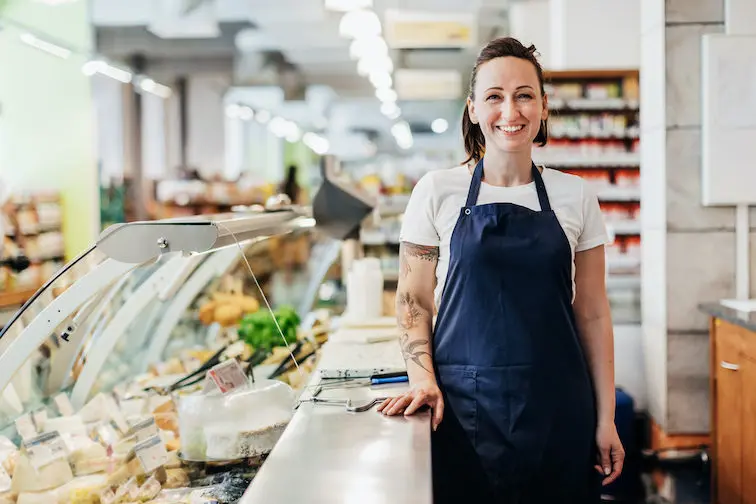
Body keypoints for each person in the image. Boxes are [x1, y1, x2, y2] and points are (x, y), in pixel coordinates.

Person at [377, 37, 624, 503]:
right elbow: (414, 301)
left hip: (559, 409)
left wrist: (605, 417)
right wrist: (421, 378)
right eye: (494, 96)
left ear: (544, 106)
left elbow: (593, 313)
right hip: (465, 413)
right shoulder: (436, 191)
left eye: (524, 94)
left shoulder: (576, 195)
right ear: (473, 109)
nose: (510, 110)